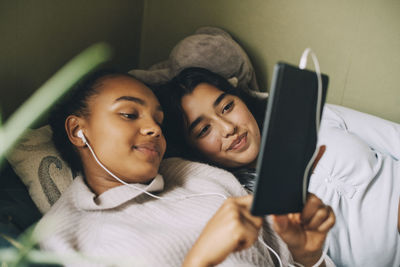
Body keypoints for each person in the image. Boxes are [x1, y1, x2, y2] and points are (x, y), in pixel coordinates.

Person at [34, 69, 335, 267]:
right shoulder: (60, 238)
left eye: (159, 120)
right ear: (77, 131)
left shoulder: (197, 176)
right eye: (129, 114)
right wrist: (199, 260)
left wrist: (307, 255)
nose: (152, 127)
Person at [157, 67, 400, 267]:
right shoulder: (248, 205)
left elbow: (394, 136)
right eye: (204, 130)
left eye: (227, 107)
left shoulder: (308, 115)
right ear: (194, 150)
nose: (228, 128)